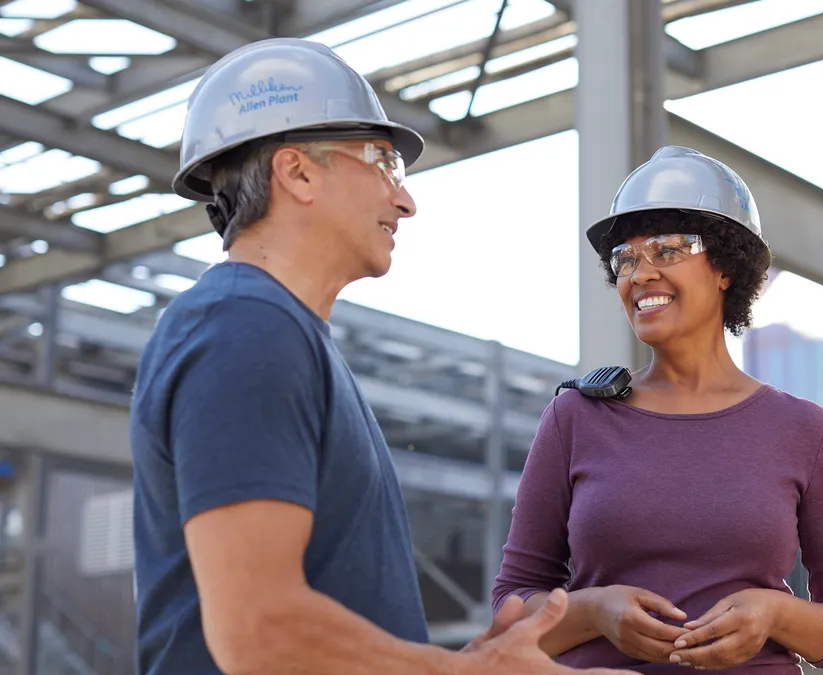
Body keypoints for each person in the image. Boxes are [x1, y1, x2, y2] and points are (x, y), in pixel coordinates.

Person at [129, 37, 629, 675]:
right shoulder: (245, 327)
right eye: (382, 161)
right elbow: (259, 633)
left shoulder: (283, 335)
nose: (405, 198)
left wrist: (466, 661)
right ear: (297, 172)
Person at [491, 146, 823, 673]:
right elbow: (511, 610)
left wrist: (774, 615)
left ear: (725, 267)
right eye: (625, 260)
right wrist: (593, 612)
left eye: (667, 250)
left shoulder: (804, 431)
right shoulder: (575, 418)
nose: (640, 273)